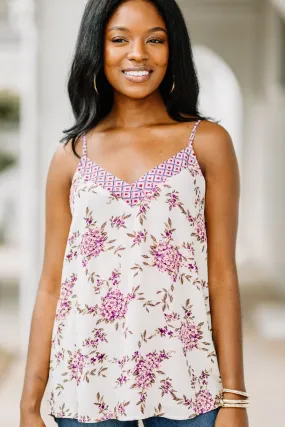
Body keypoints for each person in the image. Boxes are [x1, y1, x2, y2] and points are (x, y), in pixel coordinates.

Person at [19, 1, 250, 427]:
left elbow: (221, 274)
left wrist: (235, 399)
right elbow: (53, 282)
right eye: (119, 39)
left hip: (188, 381)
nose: (138, 53)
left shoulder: (207, 143)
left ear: (173, 48)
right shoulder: (72, 155)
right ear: (97, 48)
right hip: (86, 382)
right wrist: (29, 405)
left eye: (155, 40)